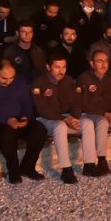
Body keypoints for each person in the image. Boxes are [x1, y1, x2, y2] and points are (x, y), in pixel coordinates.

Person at [0, 59, 46, 184]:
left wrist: (25, 117)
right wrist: (6, 120)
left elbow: (27, 101)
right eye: (4, 78)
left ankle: (28, 166)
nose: (8, 81)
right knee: (7, 132)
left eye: (11, 78)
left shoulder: (19, 80)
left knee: (39, 129)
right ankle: (13, 169)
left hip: (16, 118)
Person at [31, 53, 82, 184]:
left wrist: (75, 117)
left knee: (86, 123)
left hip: (65, 117)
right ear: (48, 67)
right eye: (57, 67)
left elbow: (77, 101)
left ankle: (90, 164)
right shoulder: (39, 83)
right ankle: (66, 169)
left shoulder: (69, 81)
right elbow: (41, 109)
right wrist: (64, 119)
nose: (61, 71)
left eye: (64, 67)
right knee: (60, 126)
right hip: (46, 119)